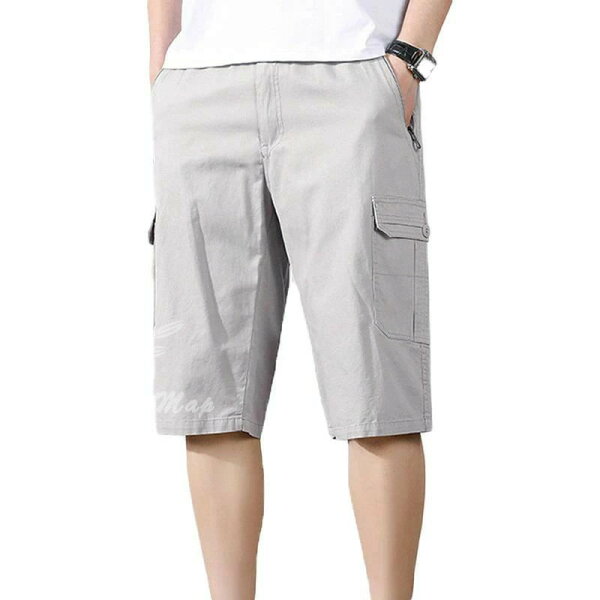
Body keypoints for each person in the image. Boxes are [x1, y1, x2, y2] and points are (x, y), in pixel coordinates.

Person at [148, 0, 452, 597]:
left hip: (350, 75)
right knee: (212, 396)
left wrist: (409, 57)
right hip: (200, 85)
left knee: (376, 390)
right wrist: (162, 66)